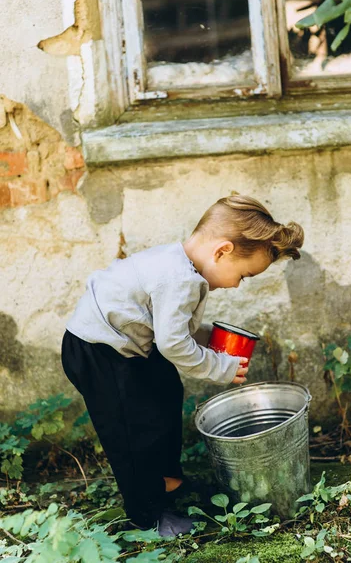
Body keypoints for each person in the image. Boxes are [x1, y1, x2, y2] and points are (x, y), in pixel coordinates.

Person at [61, 194, 304, 536]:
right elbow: (173, 343)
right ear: (222, 251)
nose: (237, 285)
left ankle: (167, 480)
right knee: (131, 431)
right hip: (98, 350)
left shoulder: (178, 265)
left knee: (164, 391)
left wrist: (209, 338)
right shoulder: (180, 279)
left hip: (125, 345)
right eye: (244, 276)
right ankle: (149, 514)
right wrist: (221, 367)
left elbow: (169, 327)